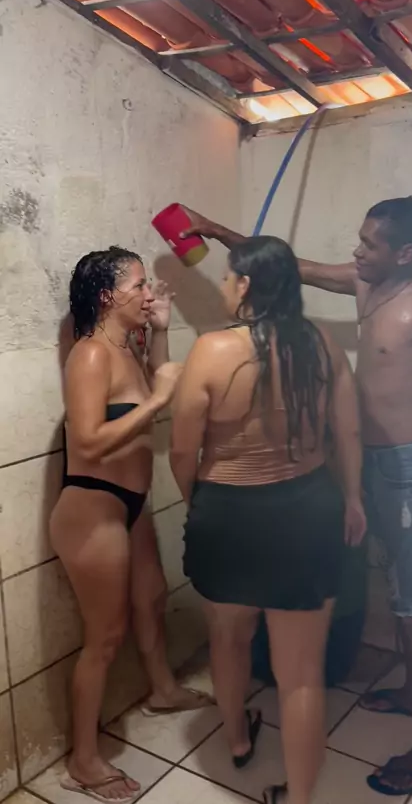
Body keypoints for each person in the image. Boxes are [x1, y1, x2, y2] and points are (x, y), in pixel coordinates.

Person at [182, 197, 412, 797]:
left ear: (406, 253)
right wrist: (212, 228)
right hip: (370, 465)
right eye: (359, 240)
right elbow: (292, 266)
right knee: (398, 589)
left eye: (369, 244)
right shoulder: (367, 284)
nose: (356, 252)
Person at [169, 236, 366, 804]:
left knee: (228, 641)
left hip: (228, 516)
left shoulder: (210, 350)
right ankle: (299, 797)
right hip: (307, 513)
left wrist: (198, 502)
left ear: (247, 284)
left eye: (228, 277)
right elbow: (348, 432)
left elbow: (182, 451)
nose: (224, 286)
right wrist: (354, 500)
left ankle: (237, 741)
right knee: (301, 674)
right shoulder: (322, 344)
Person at [51, 246, 212, 803]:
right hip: (93, 506)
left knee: (152, 596)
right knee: (104, 637)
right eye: (139, 285)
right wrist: (160, 397)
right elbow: (88, 441)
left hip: (131, 503)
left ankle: (162, 688)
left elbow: (152, 388)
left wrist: (160, 332)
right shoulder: (91, 355)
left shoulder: (127, 346)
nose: (149, 294)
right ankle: (82, 760)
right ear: (106, 297)